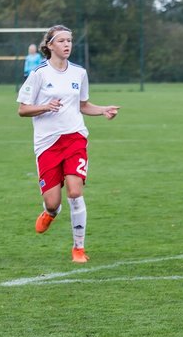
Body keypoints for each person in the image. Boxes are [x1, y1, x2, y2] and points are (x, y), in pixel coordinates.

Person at [16, 25, 119, 264]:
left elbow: (83, 105)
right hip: (47, 144)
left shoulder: (79, 73)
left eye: (70, 41)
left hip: (74, 138)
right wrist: (45, 106)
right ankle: (51, 212)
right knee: (53, 202)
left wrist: (103, 110)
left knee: (75, 191)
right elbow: (22, 109)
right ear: (50, 45)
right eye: (61, 41)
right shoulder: (39, 73)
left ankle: (78, 248)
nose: (67, 45)